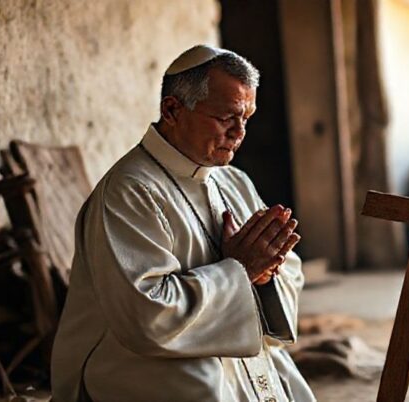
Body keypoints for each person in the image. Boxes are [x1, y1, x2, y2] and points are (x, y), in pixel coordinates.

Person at [51, 45, 315, 402]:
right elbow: (147, 314)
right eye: (226, 118)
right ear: (173, 110)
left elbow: (289, 270)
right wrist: (240, 271)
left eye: (246, 119)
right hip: (138, 360)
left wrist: (266, 274)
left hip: (223, 343)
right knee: (203, 389)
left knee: (286, 381)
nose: (239, 133)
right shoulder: (129, 192)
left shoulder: (233, 181)